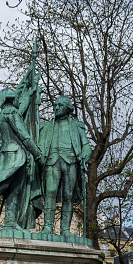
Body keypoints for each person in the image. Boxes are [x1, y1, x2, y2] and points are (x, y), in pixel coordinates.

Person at [0, 88, 43, 230]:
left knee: (15, 190)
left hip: (14, 155)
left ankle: (10, 222)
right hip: (13, 155)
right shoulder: (10, 112)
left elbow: (20, 113)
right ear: (13, 99)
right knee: (0, 188)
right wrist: (38, 154)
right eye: (18, 98)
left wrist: (29, 96)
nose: (20, 100)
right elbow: (24, 135)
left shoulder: (6, 112)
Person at [38, 96, 92, 236]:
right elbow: (40, 146)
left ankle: (65, 230)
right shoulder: (46, 126)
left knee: (68, 196)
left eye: (60, 105)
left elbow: (86, 146)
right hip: (52, 161)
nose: (56, 108)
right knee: (50, 194)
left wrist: (85, 155)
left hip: (71, 162)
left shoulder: (77, 126)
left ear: (67, 108)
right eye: (55, 105)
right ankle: (48, 227)